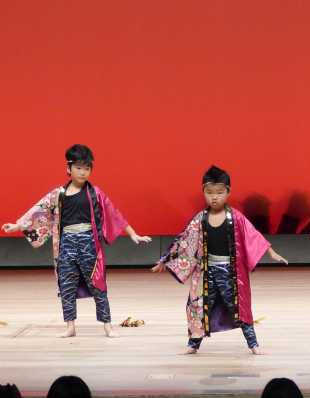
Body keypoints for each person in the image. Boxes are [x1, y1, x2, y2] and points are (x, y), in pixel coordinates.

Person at [2, 144, 151, 338]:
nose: (83, 172)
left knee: (98, 285)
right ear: (69, 168)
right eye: (78, 167)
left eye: (87, 168)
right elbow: (38, 211)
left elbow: (113, 213)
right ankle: (70, 327)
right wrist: (17, 226)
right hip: (66, 244)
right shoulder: (58, 194)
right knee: (67, 285)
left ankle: (108, 326)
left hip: (89, 243)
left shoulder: (95, 193)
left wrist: (133, 234)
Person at [152, 166, 287, 354]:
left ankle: (253, 344)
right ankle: (193, 345)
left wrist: (271, 252)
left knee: (239, 307)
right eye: (209, 193)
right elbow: (184, 240)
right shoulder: (200, 219)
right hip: (206, 272)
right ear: (203, 192)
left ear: (228, 192)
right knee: (199, 306)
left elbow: (253, 235)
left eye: (219, 192)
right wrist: (165, 260)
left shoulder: (236, 217)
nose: (214, 197)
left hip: (230, 273)